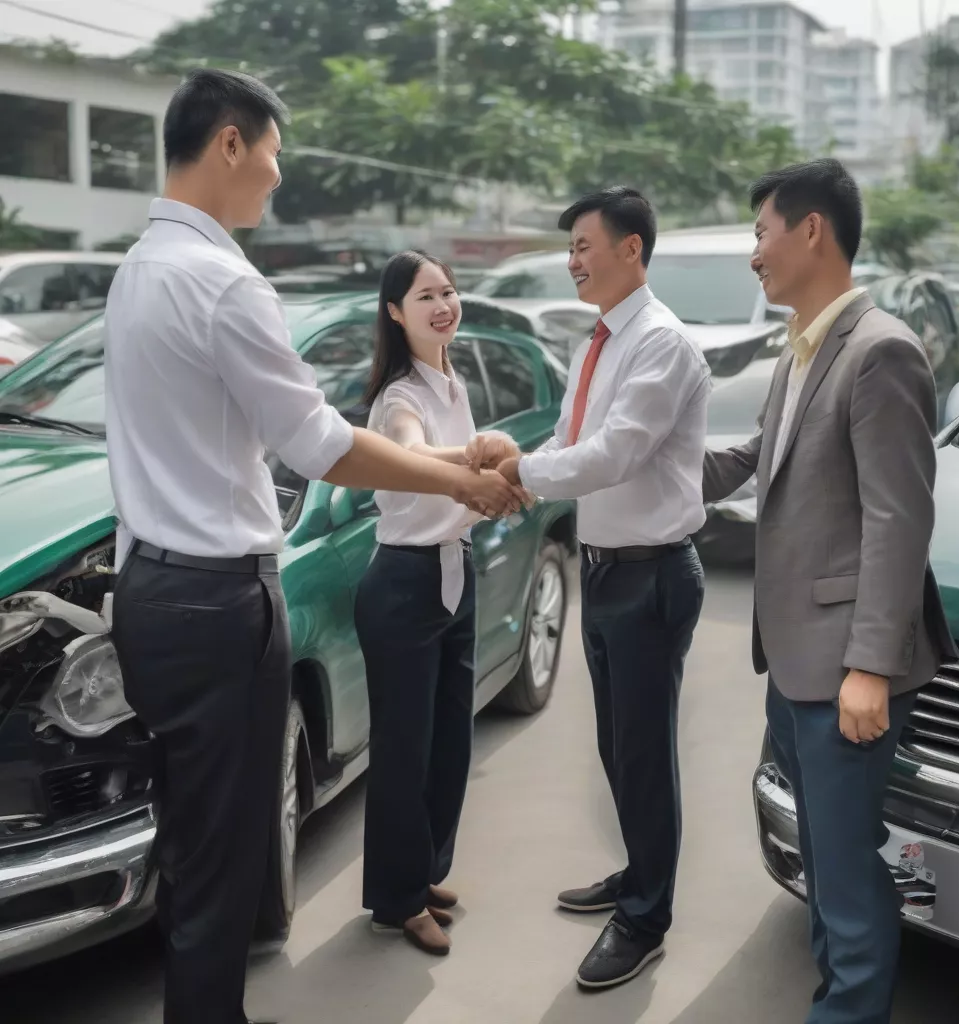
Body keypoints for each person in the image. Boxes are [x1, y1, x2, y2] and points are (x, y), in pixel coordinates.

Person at [105, 70, 517, 1024]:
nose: (279, 178)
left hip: (152, 592)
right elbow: (322, 445)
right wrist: (463, 480)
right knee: (222, 858)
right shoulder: (223, 282)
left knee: (199, 845)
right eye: (276, 154)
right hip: (216, 605)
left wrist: (454, 459)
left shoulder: (135, 273)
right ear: (231, 147)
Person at [703, 159, 959, 1024]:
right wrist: (630, 469)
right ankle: (833, 1000)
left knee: (846, 870)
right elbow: (754, 460)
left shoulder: (881, 349)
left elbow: (898, 521)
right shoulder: (806, 345)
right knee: (821, 857)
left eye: (761, 232)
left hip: (843, 669)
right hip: (794, 661)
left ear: (812, 230)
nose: (754, 254)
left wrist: (869, 668)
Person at [496, 186, 710, 989]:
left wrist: (516, 473)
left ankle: (646, 918)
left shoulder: (660, 343)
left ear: (632, 250)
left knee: (644, 753)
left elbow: (615, 453)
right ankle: (639, 871)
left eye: (586, 245)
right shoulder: (600, 342)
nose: (573, 260)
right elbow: (569, 439)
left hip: (652, 575)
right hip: (605, 569)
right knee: (618, 747)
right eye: (571, 248)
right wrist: (520, 471)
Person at [354, 250, 521, 956]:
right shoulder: (401, 396)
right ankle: (395, 901)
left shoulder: (450, 380)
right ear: (396, 312)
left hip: (456, 575)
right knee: (403, 752)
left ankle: (420, 873)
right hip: (405, 585)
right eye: (426, 296)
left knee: (451, 743)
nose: (442, 305)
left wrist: (497, 469)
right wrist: (478, 464)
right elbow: (410, 452)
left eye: (449, 292)